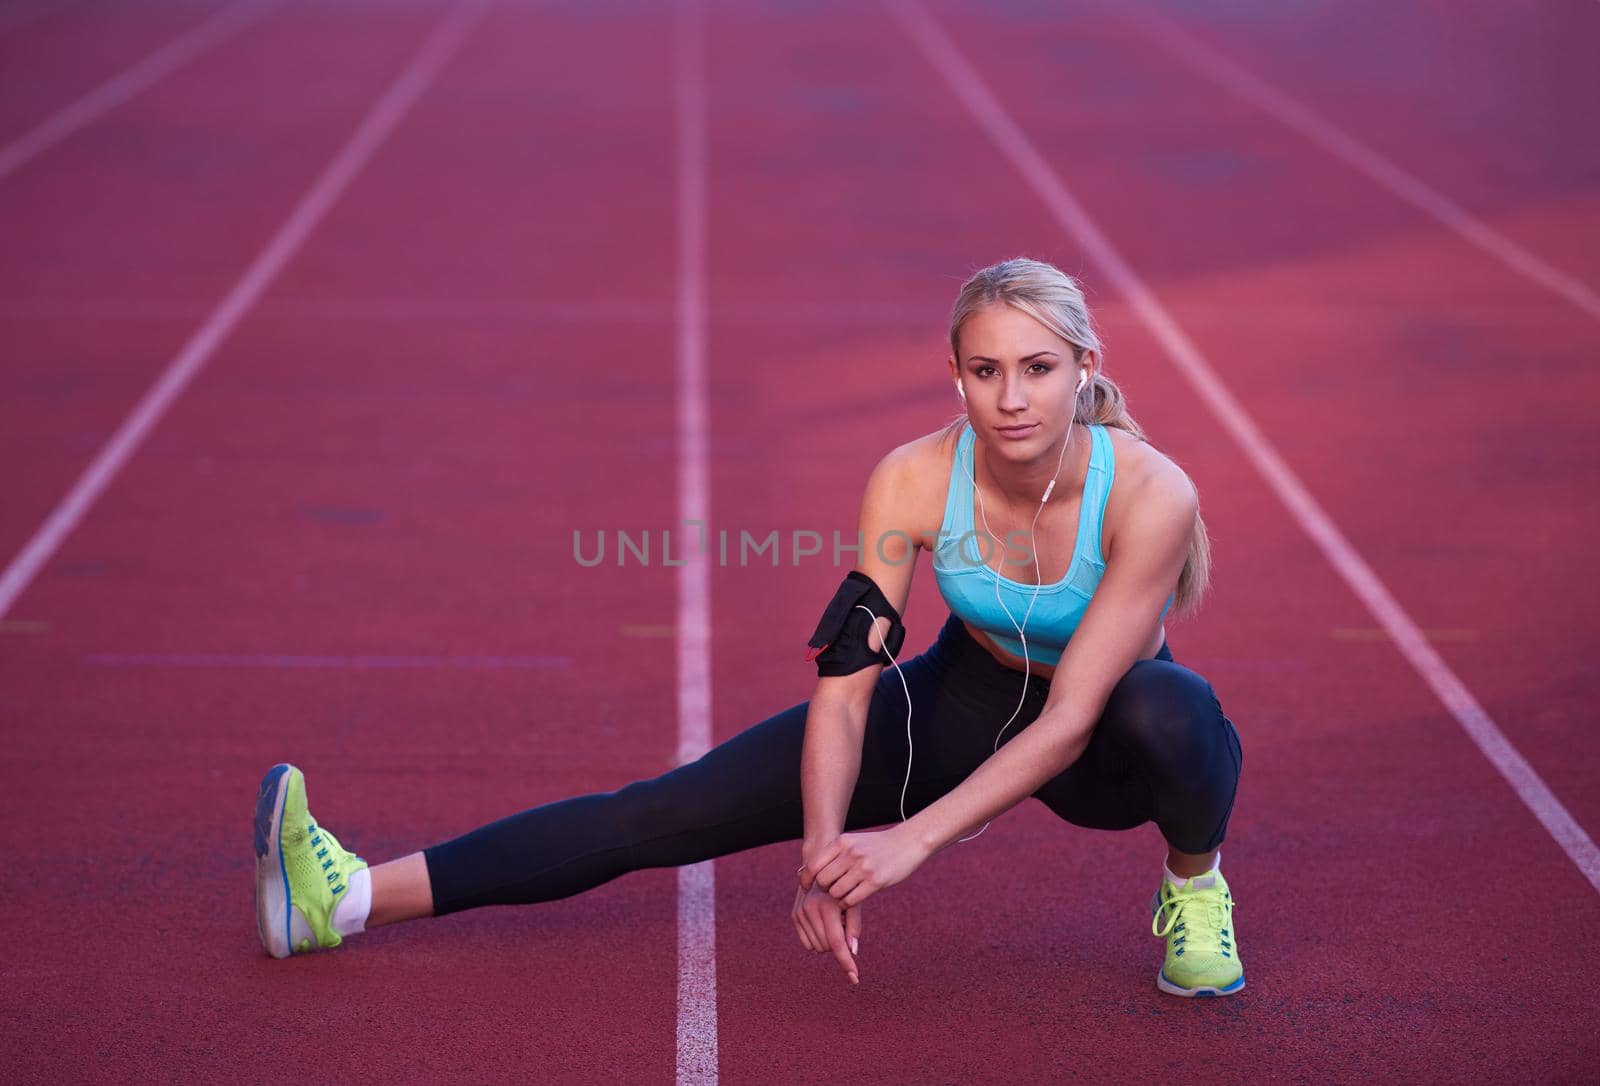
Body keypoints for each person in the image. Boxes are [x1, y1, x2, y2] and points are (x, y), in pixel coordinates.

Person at [253, 257, 1245, 998]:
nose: (1013, 397)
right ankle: (341, 899)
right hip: (964, 694)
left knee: (1174, 709)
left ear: (1083, 367)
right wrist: (823, 851)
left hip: (1102, 737)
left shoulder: (1152, 494)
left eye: (1037, 367)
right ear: (955, 376)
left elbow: (1069, 719)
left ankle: (1195, 890)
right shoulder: (909, 478)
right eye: (986, 371)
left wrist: (907, 844)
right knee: (659, 810)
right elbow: (848, 685)